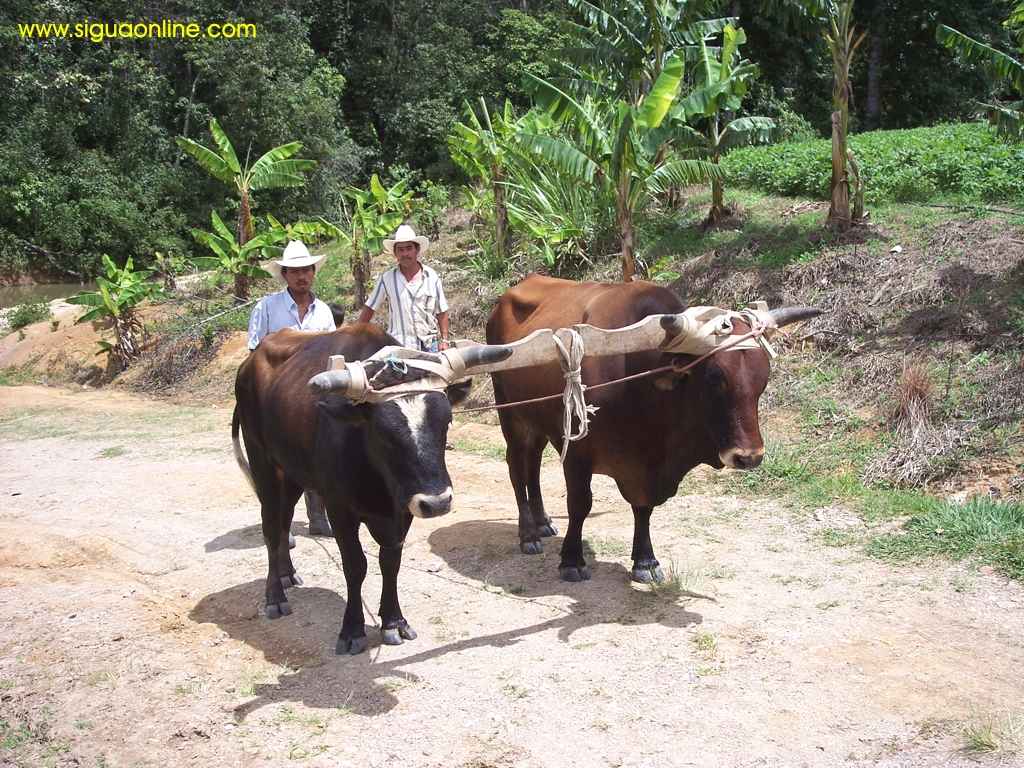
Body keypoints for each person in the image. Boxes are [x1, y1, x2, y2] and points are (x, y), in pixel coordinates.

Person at [248, 240, 335, 537]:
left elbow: (333, 355)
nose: (302, 276)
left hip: (314, 397)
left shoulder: (324, 312)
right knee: (276, 460)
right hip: (276, 398)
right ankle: (280, 524)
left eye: (306, 270)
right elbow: (255, 353)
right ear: (284, 274)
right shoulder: (266, 307)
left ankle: (318, 516)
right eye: (295, 271)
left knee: (318, 453)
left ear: (313, 273)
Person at [357, 224, 450, 352]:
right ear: (395, 253)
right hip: (399, 347)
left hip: (429, 345)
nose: (405, 253)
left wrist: (444, 340)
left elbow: (442, 311)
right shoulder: (387, 279)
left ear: (417, 250)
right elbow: (370, 307)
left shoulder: (431, 276)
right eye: (400, 250)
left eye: (409, 248)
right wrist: (356, 336)